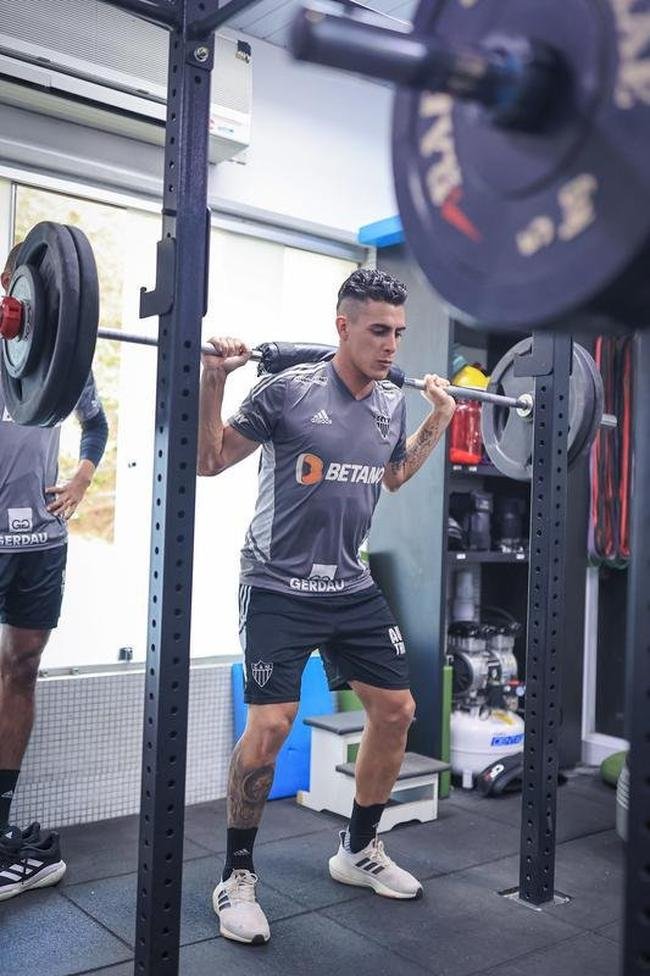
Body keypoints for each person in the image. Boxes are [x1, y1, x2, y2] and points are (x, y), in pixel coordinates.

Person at [197, 268, 456, 945]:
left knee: (397, 711)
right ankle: (236, 874)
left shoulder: (393, 400)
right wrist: (215, 379)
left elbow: (393, 475)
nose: (392, 346)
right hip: (277, 582)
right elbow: (210, 459)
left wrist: (439, 419)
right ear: (342, 327)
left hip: (349, 583)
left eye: (399, 333)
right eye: (378, 331)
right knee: (273, 724)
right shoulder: (288, 389)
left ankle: (357, 849)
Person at [0, 239, 109, 900]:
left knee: (20, 670)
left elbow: (94, 427)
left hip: (38, 541)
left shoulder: (65, 358)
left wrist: (82, 480)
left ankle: (1, 826)